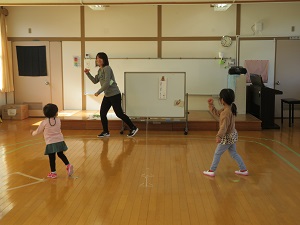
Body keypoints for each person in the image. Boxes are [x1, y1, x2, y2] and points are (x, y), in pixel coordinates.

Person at [84, 52, 138, 138]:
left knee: (119, 113)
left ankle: (133, 127)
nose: (98, 60)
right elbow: (95, 81)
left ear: (104, 60)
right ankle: (106, 132)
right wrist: (87, 73)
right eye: (97, 58)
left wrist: (98, 92)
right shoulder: (100, 70)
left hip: (114, 94)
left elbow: (107, 83)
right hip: (108, 95)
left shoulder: (107, 68)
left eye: (100, 58)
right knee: (102, 113)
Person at [203, 88, 248, 177]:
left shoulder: (226, 112)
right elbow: (217, 113)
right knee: (233, 153)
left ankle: (211, 170)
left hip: (227, 137)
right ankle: (243, 169)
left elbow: (223, 127)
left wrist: (219, 136)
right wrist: (211, 105)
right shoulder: (229, 108)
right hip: (232, 135)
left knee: (217, 153)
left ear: (222, 100)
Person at [31, 103, 73, 179]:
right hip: (60, 140)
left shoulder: (44, 122)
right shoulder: (58, 120)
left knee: (52, 157)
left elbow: (38, 131)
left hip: (50, 142)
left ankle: (53, 173)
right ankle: (68, 165)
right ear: (56, 113)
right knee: (60, 154)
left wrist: (32, 133)